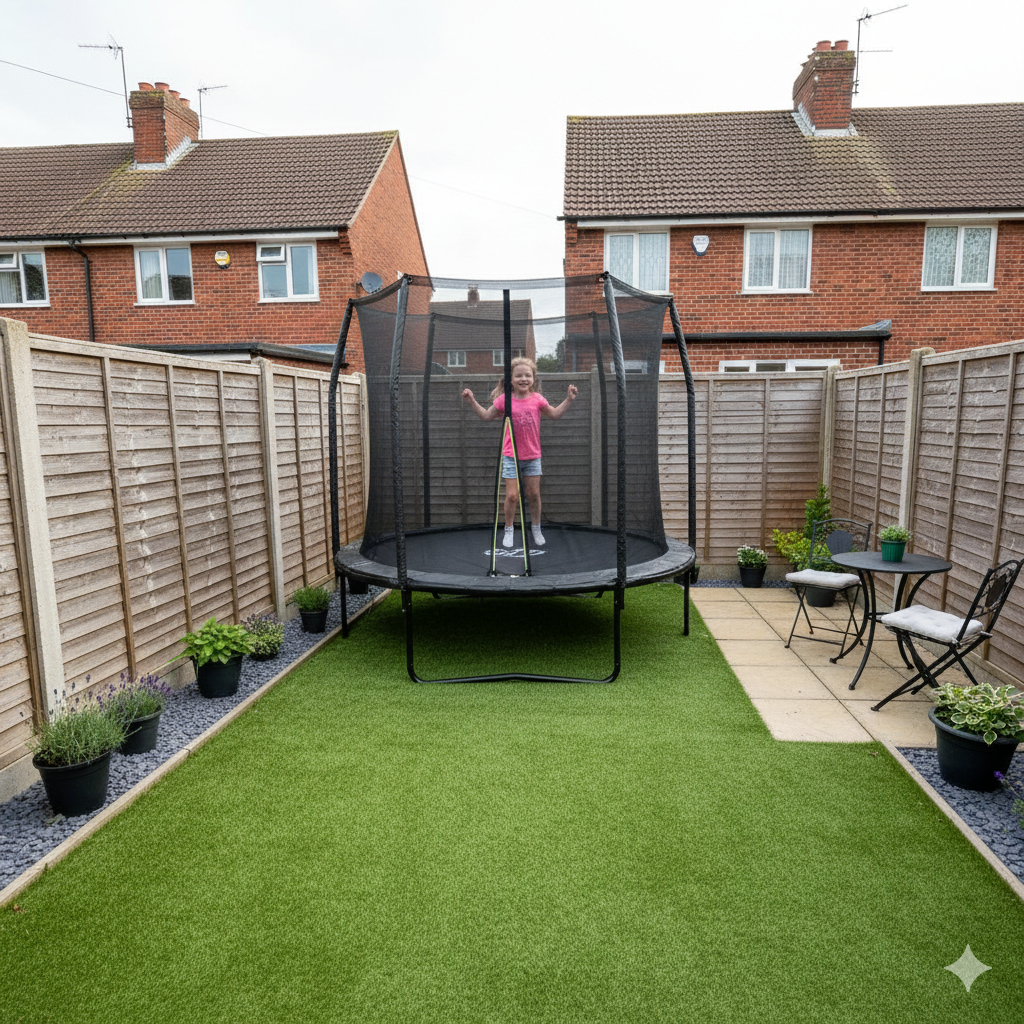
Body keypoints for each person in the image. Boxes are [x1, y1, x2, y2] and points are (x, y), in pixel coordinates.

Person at [462, 357, 577, 548]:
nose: (523, 379)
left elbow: (555, 414)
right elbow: (486, 416)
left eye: (528, 375)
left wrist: (569, 400)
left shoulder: (537, 399)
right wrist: (471, 400)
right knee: (512, 496)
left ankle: (536, 528)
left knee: (533, 494)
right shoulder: (504, 400)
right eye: (519, 376)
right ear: (511, 379)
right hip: (511, 456)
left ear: (533, 378)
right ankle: (508, 529)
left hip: (532, 456)